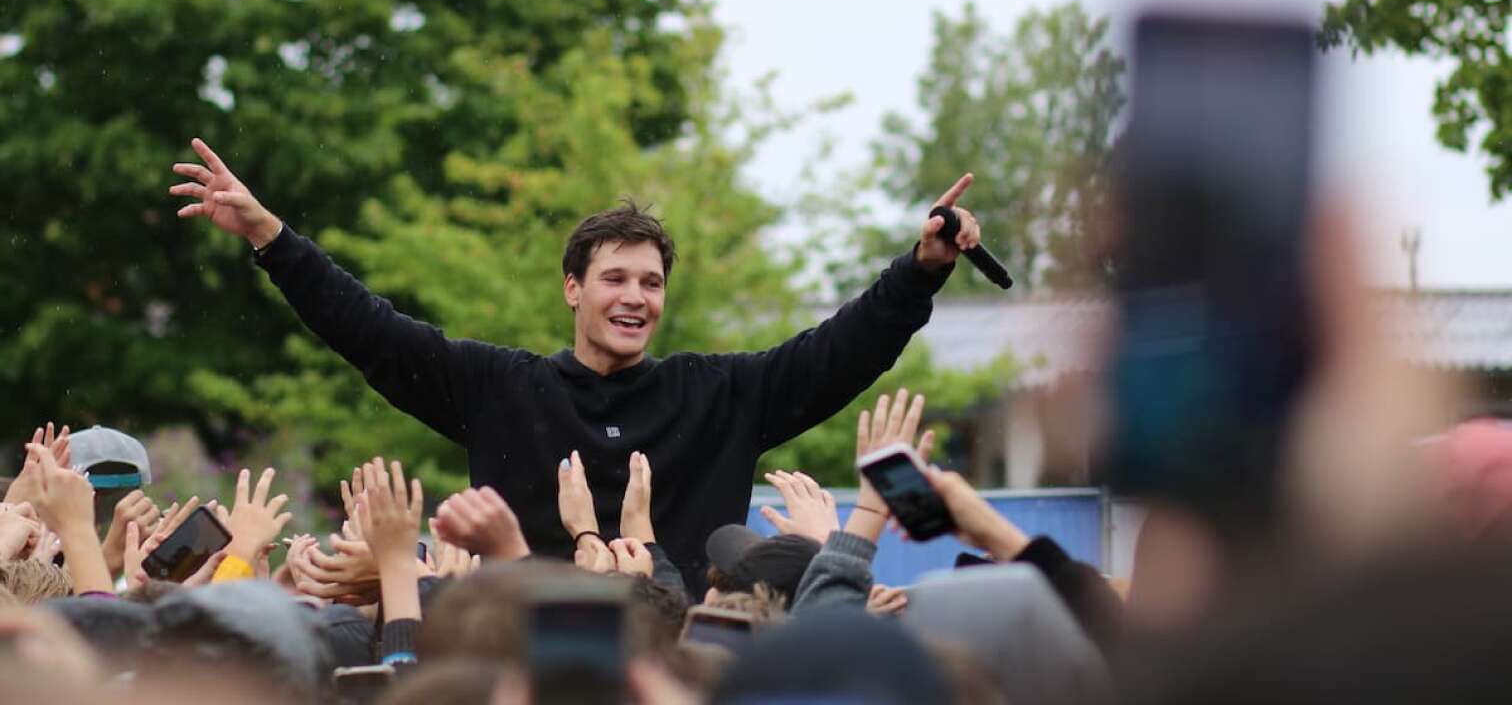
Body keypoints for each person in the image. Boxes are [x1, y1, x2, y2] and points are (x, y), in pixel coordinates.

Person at [169, 138, 980, 586]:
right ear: (573, 288)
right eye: (615, 278)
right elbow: (371, 331)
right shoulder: (498, 385)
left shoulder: (722, 393)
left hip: (681, 658)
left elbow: (840, 352)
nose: (635, 297)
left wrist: (921, 269)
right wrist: (273, 240)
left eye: (652, 282)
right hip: (523, 661)